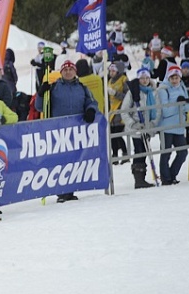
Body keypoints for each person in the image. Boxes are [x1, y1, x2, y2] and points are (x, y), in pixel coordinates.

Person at [35, 60, 99, 203]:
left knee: (74, 161)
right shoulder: (54, 87)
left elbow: (92, 102)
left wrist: (90, 110)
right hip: (58, 131)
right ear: (61, 72)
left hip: (77, 131)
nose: (68, 72)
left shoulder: (82, 88)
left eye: (71, 69)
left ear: (75, 72)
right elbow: (40, 107)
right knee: (61, 161)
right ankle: (62, 191)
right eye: (65, 70)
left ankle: (70, 190)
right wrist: (41, 93)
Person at [120, 68, 159, 189]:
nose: (145, 81)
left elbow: (158, 110)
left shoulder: (153, 92)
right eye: (142, 78)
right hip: (136, 128)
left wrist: (153, 123)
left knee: (145, 151)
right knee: (139, 151)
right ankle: (139, 178)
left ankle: (142, 175)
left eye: (147, 78)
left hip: (148, 127)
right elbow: (124, 111)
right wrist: (133, 124)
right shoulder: (133, 92)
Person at [156, 65, 189, 185]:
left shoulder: (182, 87)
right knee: (166, 152)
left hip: (179, 125)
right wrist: (178, 104)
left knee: (182, 152)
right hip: (166, 126)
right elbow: (165, 111)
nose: (174, 80)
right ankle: (166, 178)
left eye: (176, 77)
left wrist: (184, 103)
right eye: (172, 78)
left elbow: (188, 107)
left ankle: (172, 174)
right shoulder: (163, 89)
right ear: (168, 77)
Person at [107, 63, 130, 162]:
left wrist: (116, 93)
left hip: (121, 111)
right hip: (112, 112)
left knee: (118, 134)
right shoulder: (109, 81)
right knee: (112, 135)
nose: (111, 73)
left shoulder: (123, 79)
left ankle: (125, 154)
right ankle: (115, 155)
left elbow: (128, 96)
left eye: (113, 71)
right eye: (110, 71)